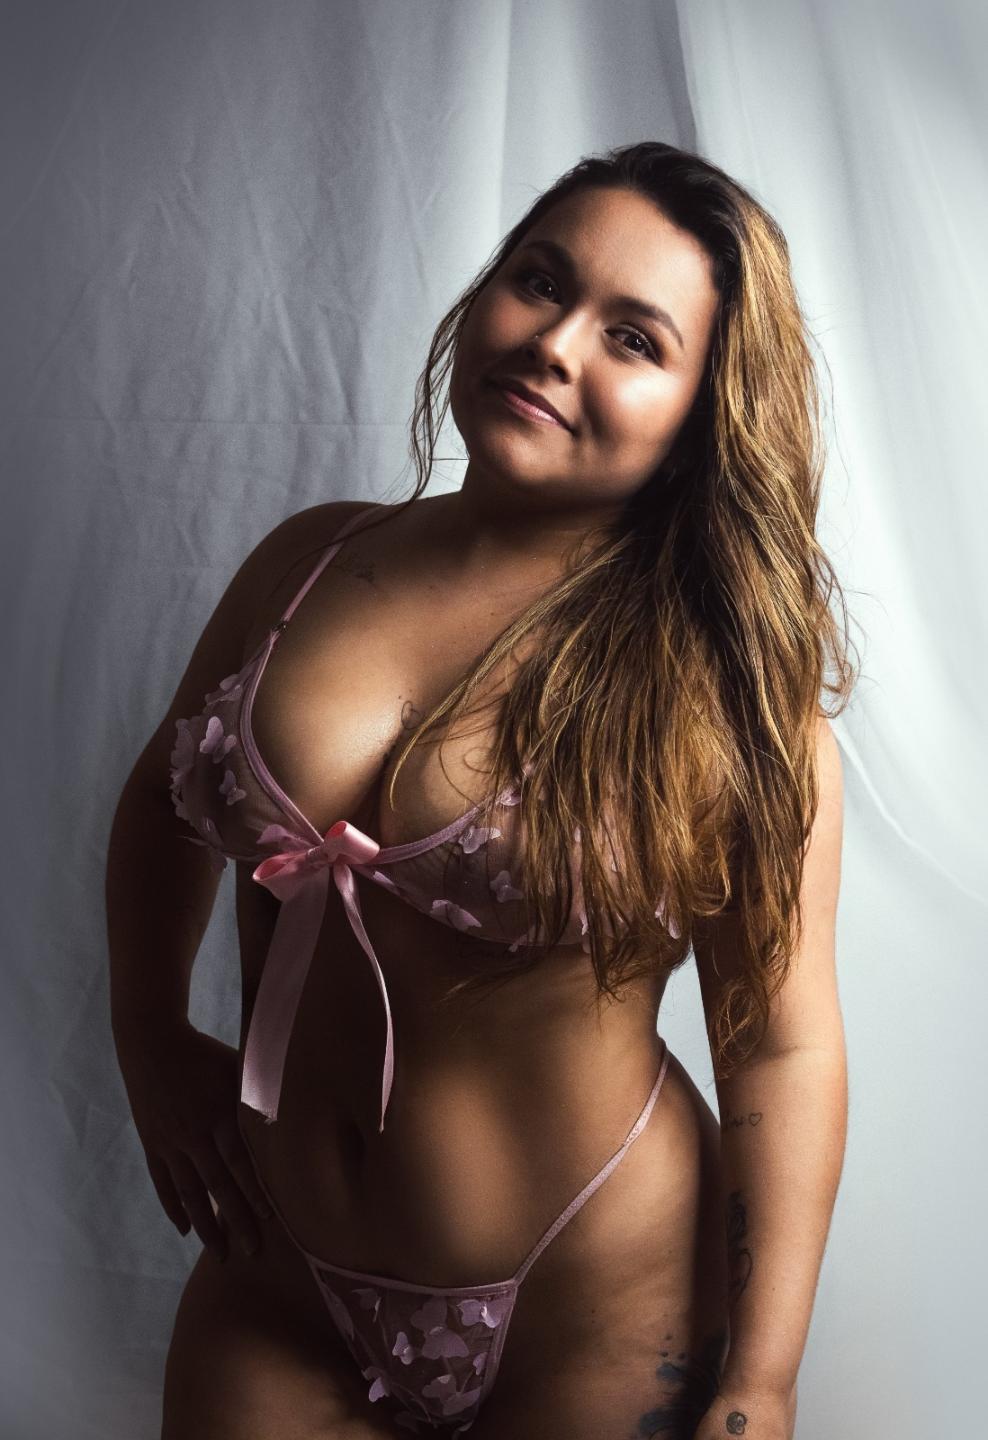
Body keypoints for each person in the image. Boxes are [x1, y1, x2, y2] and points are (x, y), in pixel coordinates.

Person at [106, 141, 852, 1440]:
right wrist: (148, 1033)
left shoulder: (721, 687)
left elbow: (779, 1044)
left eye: (634, 339)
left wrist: (762, 1386)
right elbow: (163, 798)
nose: (555, 344)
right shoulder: (308, 561)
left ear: (703, 415)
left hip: (596, 1305)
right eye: (539, 281)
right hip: (280, 1284)